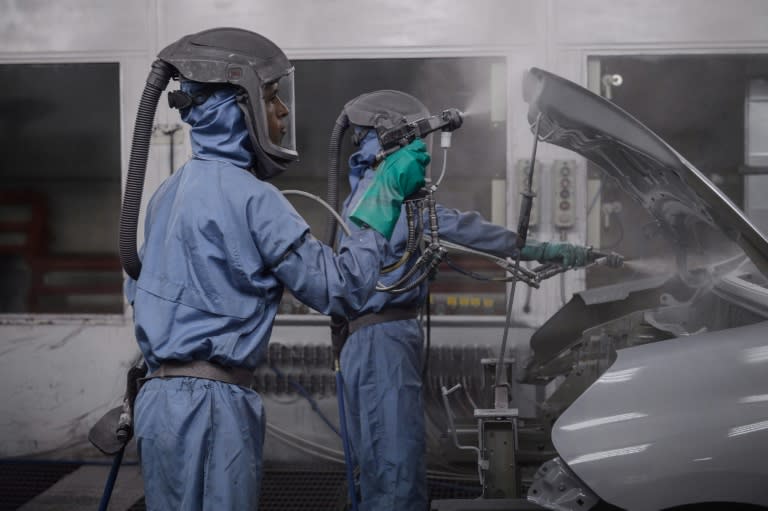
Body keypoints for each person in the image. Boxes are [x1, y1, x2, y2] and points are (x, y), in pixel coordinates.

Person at [123, 30, 428, 510]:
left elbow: (140, 286)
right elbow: (341, 290)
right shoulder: (252, 197)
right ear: (234, 105)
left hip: (157, 403)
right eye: (270, 97)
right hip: (214, 407)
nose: (283, 111)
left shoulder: (168, 193)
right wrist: (383, 195)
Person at [336, 90, 590, 511]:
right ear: (391, 138)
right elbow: (464, 230)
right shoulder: (385, 196)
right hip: (383, 339)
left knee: (378, 458)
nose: (423, 151)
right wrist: (538, 249)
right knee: (395, 460)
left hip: (369, 338)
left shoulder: (367, 194)